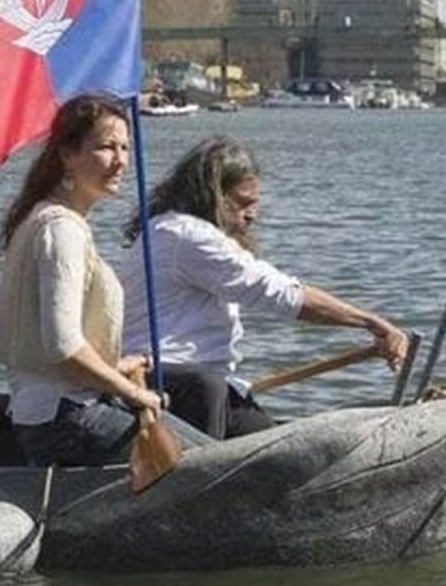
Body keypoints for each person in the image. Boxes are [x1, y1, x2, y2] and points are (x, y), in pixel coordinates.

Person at [118, 136, 409, 439]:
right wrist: (370, 322)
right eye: (242, 203)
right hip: (170, 383)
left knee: (277, 449)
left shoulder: (167, 229)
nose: (252, 214)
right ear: (212, 196)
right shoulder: (187, 235)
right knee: (210, 393)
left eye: (254, 204)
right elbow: (279, 294)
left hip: (209, 382)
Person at [0, 94, 210, 467]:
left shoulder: (45, 218)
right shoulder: (62, 229)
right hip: (65, 417)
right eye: (106, 147)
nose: (121, 160)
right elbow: (62, 346)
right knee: (210, 466)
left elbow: (52, 350)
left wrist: (117, 365)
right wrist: (134, 394)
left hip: (52, 411)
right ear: (67, 155)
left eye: (124, 147)